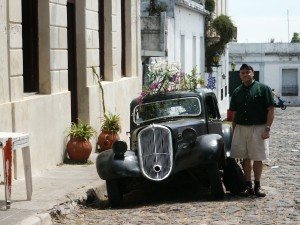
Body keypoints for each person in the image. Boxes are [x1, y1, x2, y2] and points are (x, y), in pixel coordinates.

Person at [229, 64, 275, 197]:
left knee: (258, 157)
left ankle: (258, 186)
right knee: (245, 158)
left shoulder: (263, 89)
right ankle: (247, 186)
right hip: (241, 128)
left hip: (258, 127)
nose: (245, 75)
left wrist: (267, 128)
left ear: (253, 73)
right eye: (242, 73)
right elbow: (235, 114)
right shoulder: (237, 91)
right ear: (240, 75)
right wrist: (234, 130)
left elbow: (271, 109)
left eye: (247, 72)